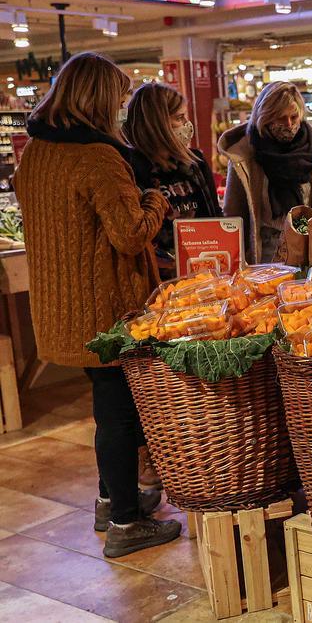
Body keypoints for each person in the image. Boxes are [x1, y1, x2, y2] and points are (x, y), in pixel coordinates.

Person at [14, 52, 181, 557]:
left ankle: (112, 500)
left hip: (61, 307)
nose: (122, 110)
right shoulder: (97, 155)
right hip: (106, 308)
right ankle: (127, 524)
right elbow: (130, 236)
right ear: (99, 99)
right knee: (119, 414)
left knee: (106, 408)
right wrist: (155, 200)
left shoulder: (36, 152)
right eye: (119, 99)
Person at [218, 81, 312, 263]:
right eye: (280, 118)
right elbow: (234, 212)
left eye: (294, 117)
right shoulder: (245, 155)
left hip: (310, 243)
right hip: (267, 249)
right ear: (265, 117)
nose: (288, 124)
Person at [124, 83, 221, 280]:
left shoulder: (195, 163)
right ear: (157, 125)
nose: (187, 124)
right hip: (157, 279)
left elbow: (214, 218)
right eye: (179, 118)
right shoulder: (131, 169)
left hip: (205, 271)